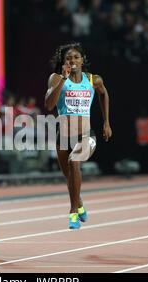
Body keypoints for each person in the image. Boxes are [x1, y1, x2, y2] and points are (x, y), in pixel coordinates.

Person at [44, 42, 112, 229]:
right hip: (63, 137)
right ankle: (79, 202)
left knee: (74, 162)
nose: (72, 61)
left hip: (86, 135)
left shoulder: (92, 80)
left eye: (76, 57)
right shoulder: (56, 78)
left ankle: (73, 212)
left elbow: (103, 94)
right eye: (68, 58)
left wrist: (106, 122)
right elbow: (49, 105)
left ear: (82, 60)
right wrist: (63, 81)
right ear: (63, 61)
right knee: (70, 180)